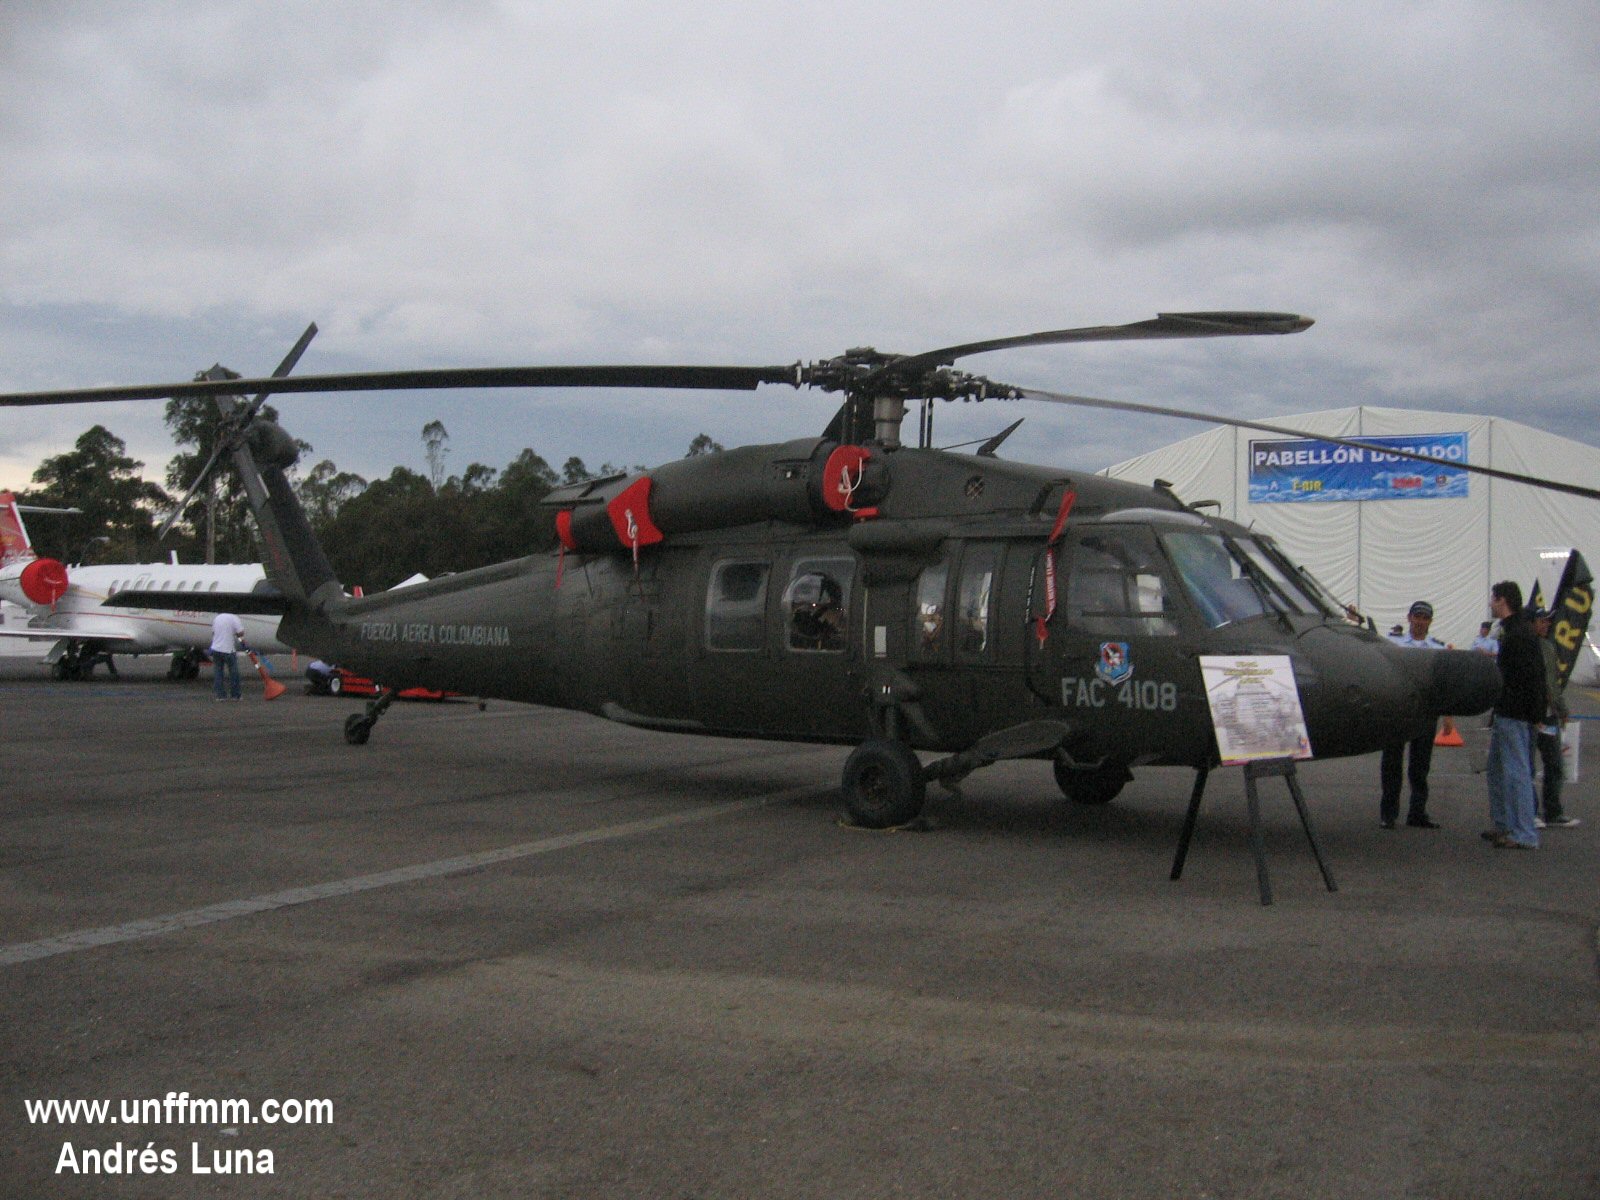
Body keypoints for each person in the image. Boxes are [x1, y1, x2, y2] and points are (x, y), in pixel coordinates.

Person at [1483, 582, 1545, 849]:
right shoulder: (1514, 630)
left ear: (1503, 600)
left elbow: (1529, 676)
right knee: (1496, 771)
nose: (1491, 603)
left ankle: (1523, 833)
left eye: (1494, 599)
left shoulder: (1517, 634)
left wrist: (1533, 712)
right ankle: (1505, 825)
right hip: (1508, 711)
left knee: (1516, 771)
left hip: (1514, 712)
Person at [1379, 600, 1447, 828]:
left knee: (1420, 767)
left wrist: (1447, 714)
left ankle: (1417, 813)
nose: (1420, 622)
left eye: (1424, 618)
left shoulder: (1438, 648)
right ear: (1409, 618)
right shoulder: (1393, 644)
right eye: (1416, 617)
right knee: (1391, 765)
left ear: (1430, 621)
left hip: (1425, 711)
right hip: (1398, 710)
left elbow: (1442, 685)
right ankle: (1388, 814)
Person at [1530, 608, 1580, 828]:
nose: (1547, 624)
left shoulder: (1549, 647)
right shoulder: (1525, 647)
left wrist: (1561, 708)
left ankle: (1553, 811)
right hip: (1531, 714)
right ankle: (1529, 811)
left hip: (1548, 717)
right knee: (1527, 766)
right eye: (1542, 621)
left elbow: (1553, 683)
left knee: (1554, 764)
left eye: (1548, 621)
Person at [210, 611, 247, 701]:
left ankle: (220, 695)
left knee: (218, 672)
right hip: (228, 649)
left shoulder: (217, 618)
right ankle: (235, 695)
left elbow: (213, 633)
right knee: (234, 673)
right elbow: (240, 633)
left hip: (216, 648)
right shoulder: (234, 618)